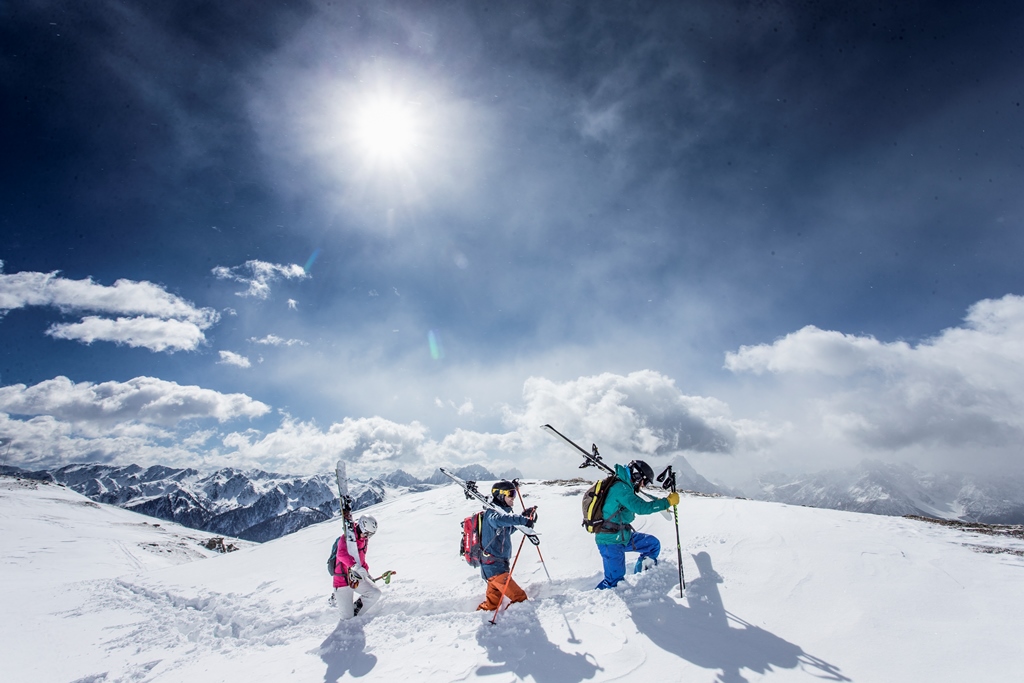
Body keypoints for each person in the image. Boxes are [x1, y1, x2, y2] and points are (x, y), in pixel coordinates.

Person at [594, 460, 679, 589]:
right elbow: (641, 507)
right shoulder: (621, 489)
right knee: (614, 582)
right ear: (637, 476)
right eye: (644, 482)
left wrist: (661, 503)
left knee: (652, 545)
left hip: (623, 535)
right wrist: (666, 502)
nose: (643, 486)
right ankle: (598, 604)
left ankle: (642, 575)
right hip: (610, 541)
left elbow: (640, 500)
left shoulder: (625, 487)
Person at [476, 480, 538, 612]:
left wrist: (523, 518)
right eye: (511, 494)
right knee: (519, 598)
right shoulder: (492, 513)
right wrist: (521, 520)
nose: (513, 498)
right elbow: (498, 520)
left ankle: (479, 617)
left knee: (492, 605)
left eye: (514, 493)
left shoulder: (500, 515)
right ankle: (511, 623)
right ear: (500, 495)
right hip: (495, 568)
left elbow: (508, 530)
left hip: (497, 567)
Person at [332, 515, 382, 618]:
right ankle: (339, 601)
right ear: (362, 528)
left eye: (370, 535)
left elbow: (361, 559)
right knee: (347, 618)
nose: (368, 537)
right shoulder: (346, 538)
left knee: (374, 593)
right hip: (342, 580)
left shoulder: (363, 541)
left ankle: (355, 611)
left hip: (355, 578)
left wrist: (367, 574)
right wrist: (356, 567)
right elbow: (341, 555)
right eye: (367, 534)